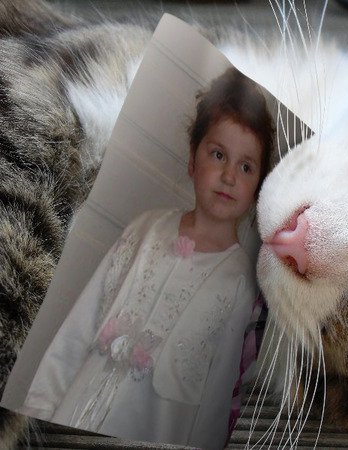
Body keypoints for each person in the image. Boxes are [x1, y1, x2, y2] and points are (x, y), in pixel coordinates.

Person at [19, 68, 274, 450]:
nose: (228, 176)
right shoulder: (146, 229)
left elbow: (216, 401)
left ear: (257, 189)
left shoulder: (240, 281)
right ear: (193, 160)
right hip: (73, 413)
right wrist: (36, 410)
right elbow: (78, 329)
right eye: (218, 154)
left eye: (246, 166)